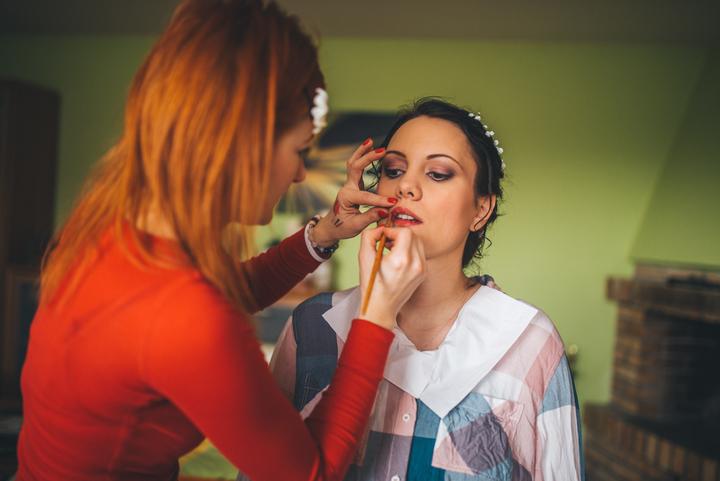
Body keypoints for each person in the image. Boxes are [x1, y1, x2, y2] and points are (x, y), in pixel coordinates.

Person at [16, 1, 427, 480]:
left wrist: (324, 233)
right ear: (240, 144)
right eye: (298, 150)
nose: (300, 174)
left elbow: (219, 296)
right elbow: (310, 473)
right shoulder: (184, 316)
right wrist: (377, 314)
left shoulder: (109, 229)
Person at [267, 99, 585, 481]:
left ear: (481, 209)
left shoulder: (530, 343)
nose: (406, 186)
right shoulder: (311, 327)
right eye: (393, 170)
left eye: (438, 173)